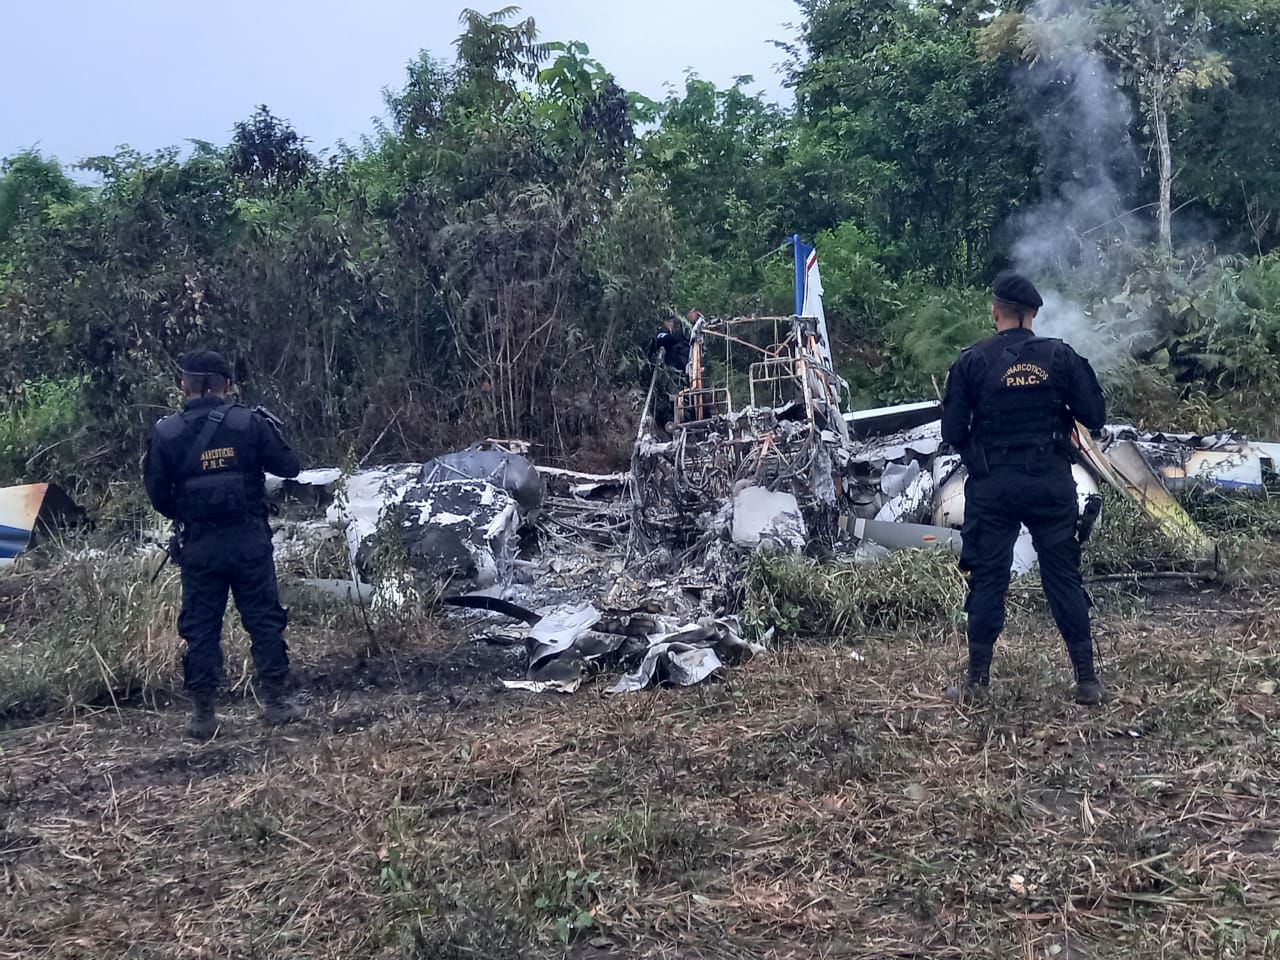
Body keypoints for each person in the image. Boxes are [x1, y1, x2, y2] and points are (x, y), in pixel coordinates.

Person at [941, 272, 1108, 706]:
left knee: (989, 579)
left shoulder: (972, 361)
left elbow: (954, 430)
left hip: (994, 485)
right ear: (1033, 313)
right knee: (1063, 579)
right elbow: (1095, 416)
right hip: (1050, 485)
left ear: (995, 311)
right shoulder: (1060, 357)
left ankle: (977, 682)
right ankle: (1086, 680)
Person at [144, 349, 303, 739]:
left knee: (201, 628)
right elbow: (290, 466)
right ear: (226, 385)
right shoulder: (249, 423)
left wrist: (191, 513)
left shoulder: (166, 433)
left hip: (200, 545)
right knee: (264, 620)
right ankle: (277, 704)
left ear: (185, 385)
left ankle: (203, 715)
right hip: (248, 539)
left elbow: (158, 496)